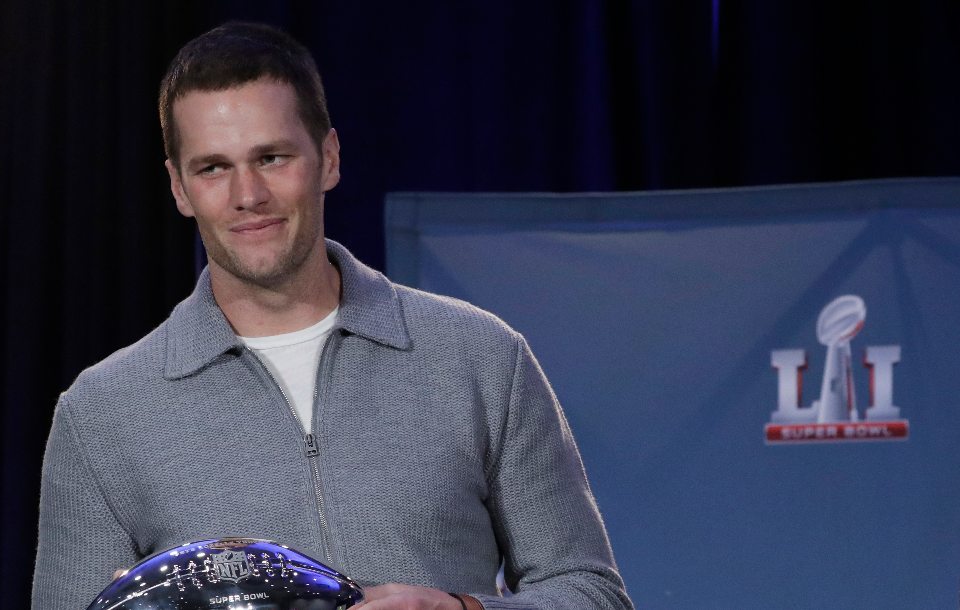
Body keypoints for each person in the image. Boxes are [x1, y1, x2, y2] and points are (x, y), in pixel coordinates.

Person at [32, 21, 633, 610]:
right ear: (179, 188)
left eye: (272, 157)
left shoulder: (478, 356)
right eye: (213, 167)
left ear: (329, 157)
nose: (247, 195)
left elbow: (593, 592)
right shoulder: (102, 414)